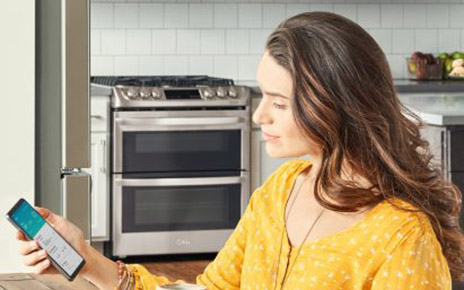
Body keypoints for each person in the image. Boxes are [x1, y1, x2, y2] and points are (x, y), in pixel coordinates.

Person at [16, 11, 463, 290]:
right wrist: (88, 260)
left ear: (338, 106)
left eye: (280, 103)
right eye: (261, 96)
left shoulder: (402, 239)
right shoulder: (281, 191)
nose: (258, 116)